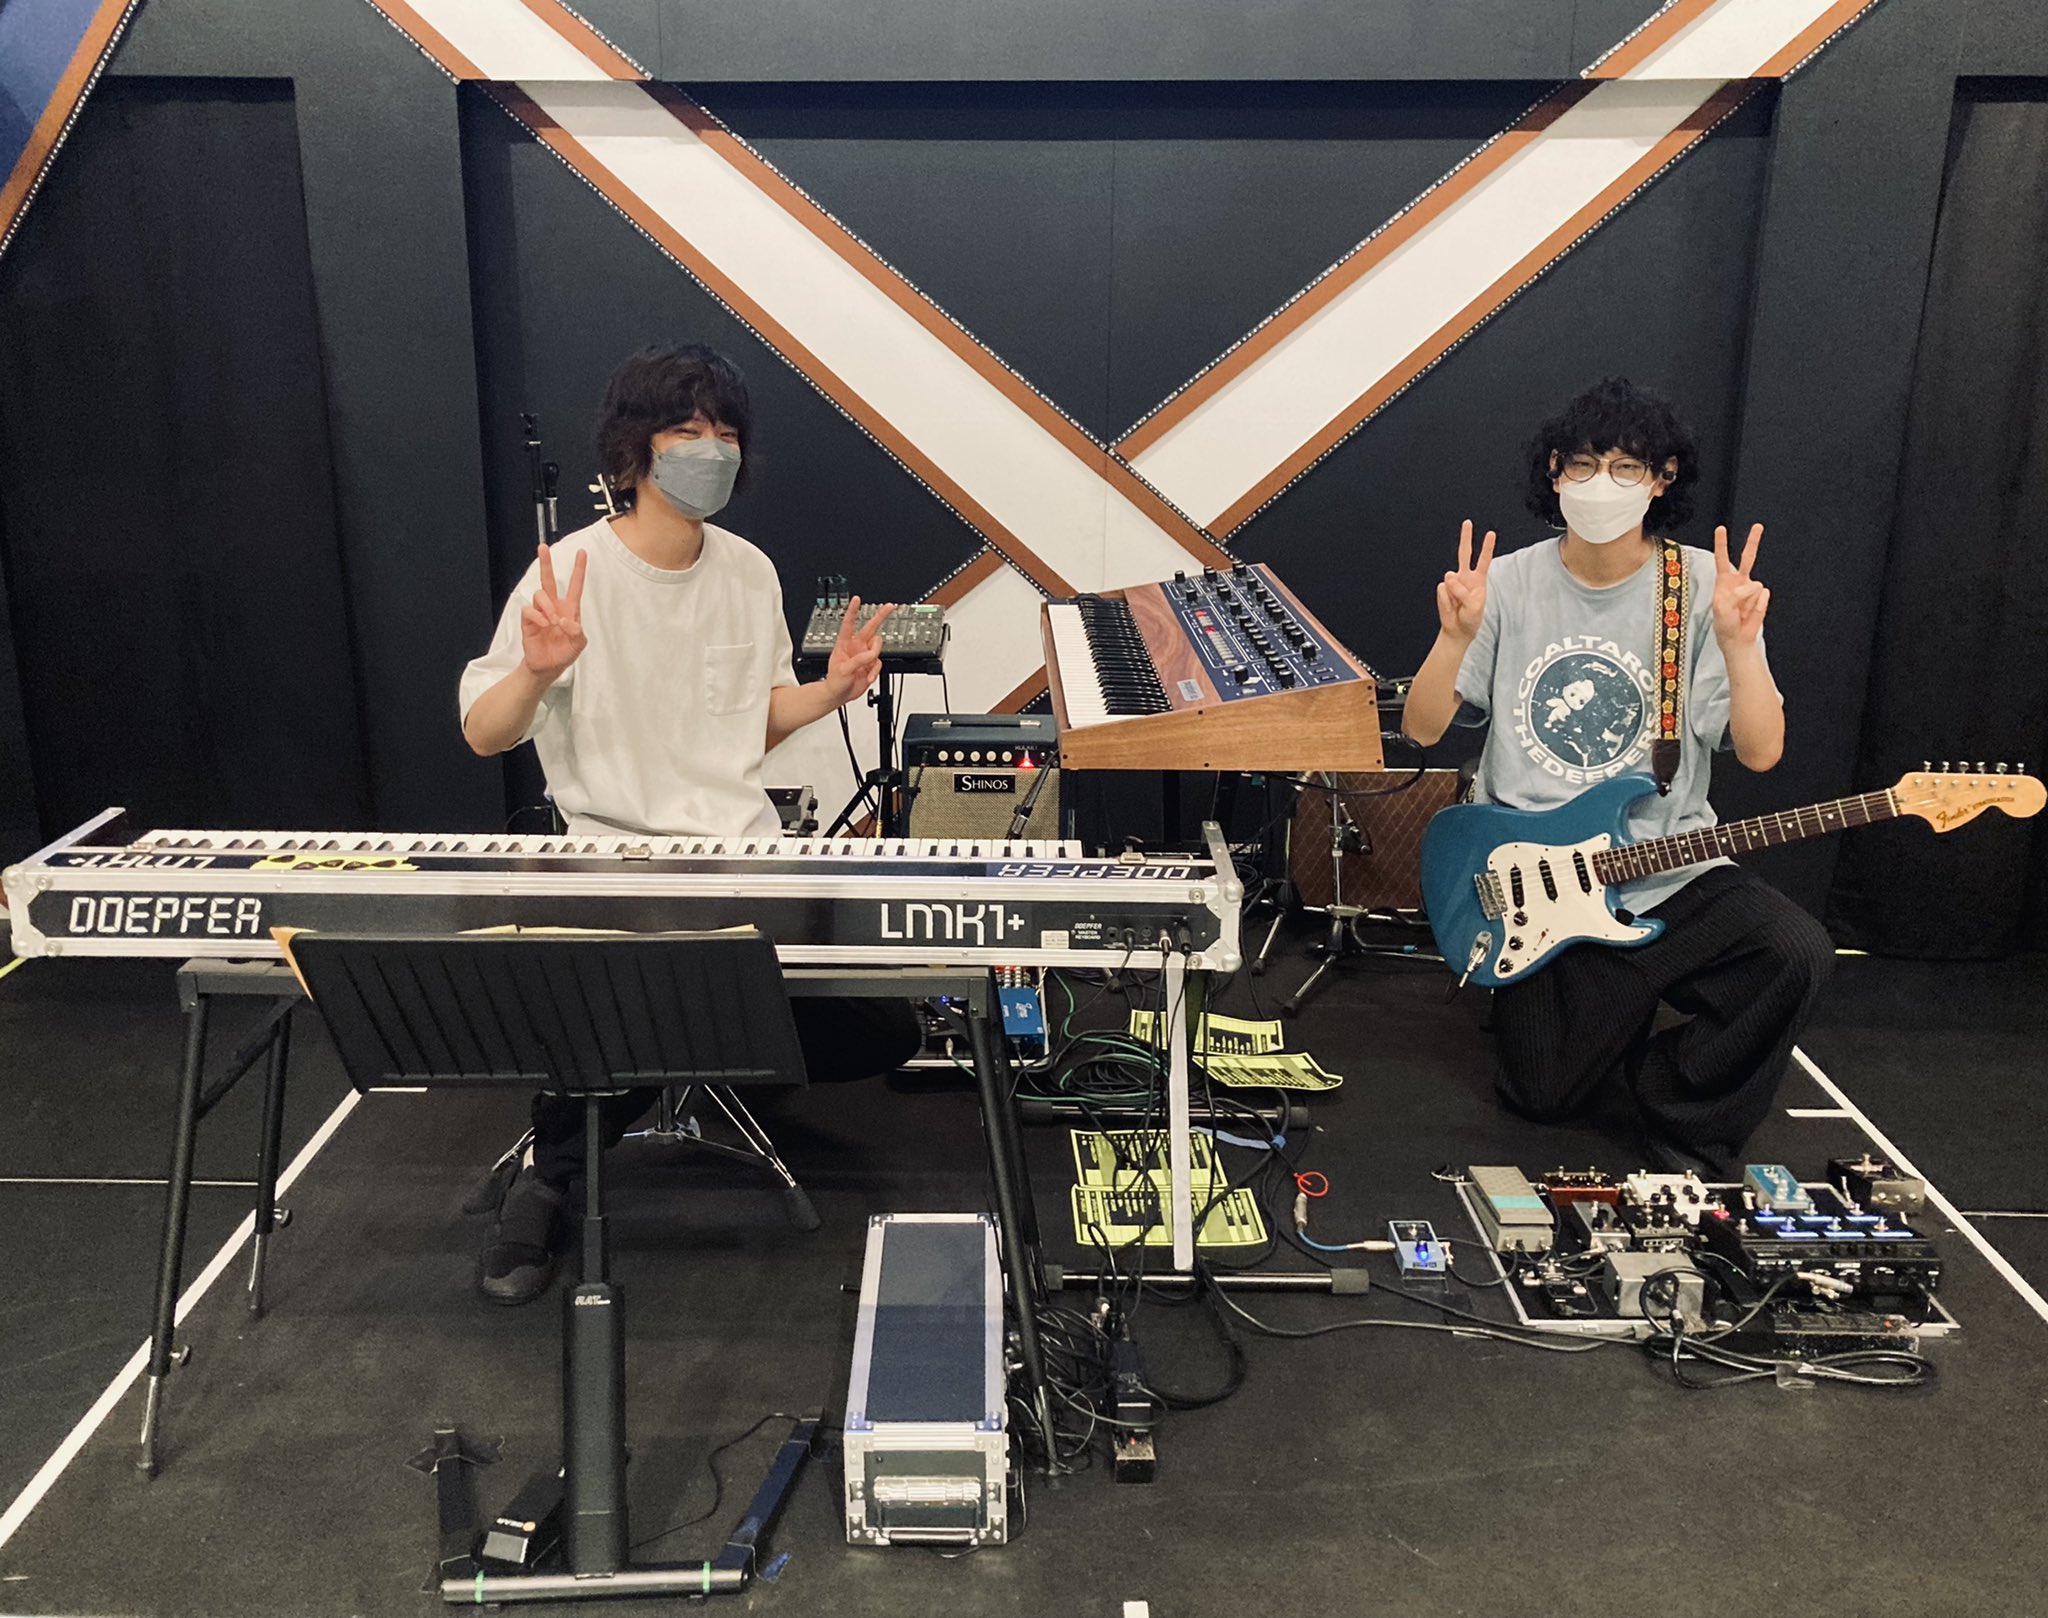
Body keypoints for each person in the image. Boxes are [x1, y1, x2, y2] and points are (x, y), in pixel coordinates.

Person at [459, 343, 921, 1303]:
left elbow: (750, 719)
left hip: (745, 862)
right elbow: (483, 731)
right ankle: (550, 1178)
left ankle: (688, 1048)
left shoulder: (749, 571)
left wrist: (830, 691)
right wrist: (538, 670)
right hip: (614, 867)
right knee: (641, 997)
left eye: (724, 433)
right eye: (685, 431)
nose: (709, 449)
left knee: (884, 1028)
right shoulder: (570, 572)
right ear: (634, 450)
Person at [1402, 377, 1833, 1178]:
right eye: (1584, 463)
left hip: (1667, 868)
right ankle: (1600, 1013)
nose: (1602, 483)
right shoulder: (1506, 584)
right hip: (1540, 884)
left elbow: (1762, 752)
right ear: (1555, 471)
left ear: (1663, 478)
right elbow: (1422, 729)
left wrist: (1741, 646)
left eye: (1627, 467)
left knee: (1794, 952)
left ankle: (1678, 1104)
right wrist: (1453, 637)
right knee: (1541, 1097)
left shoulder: (1702, 589)